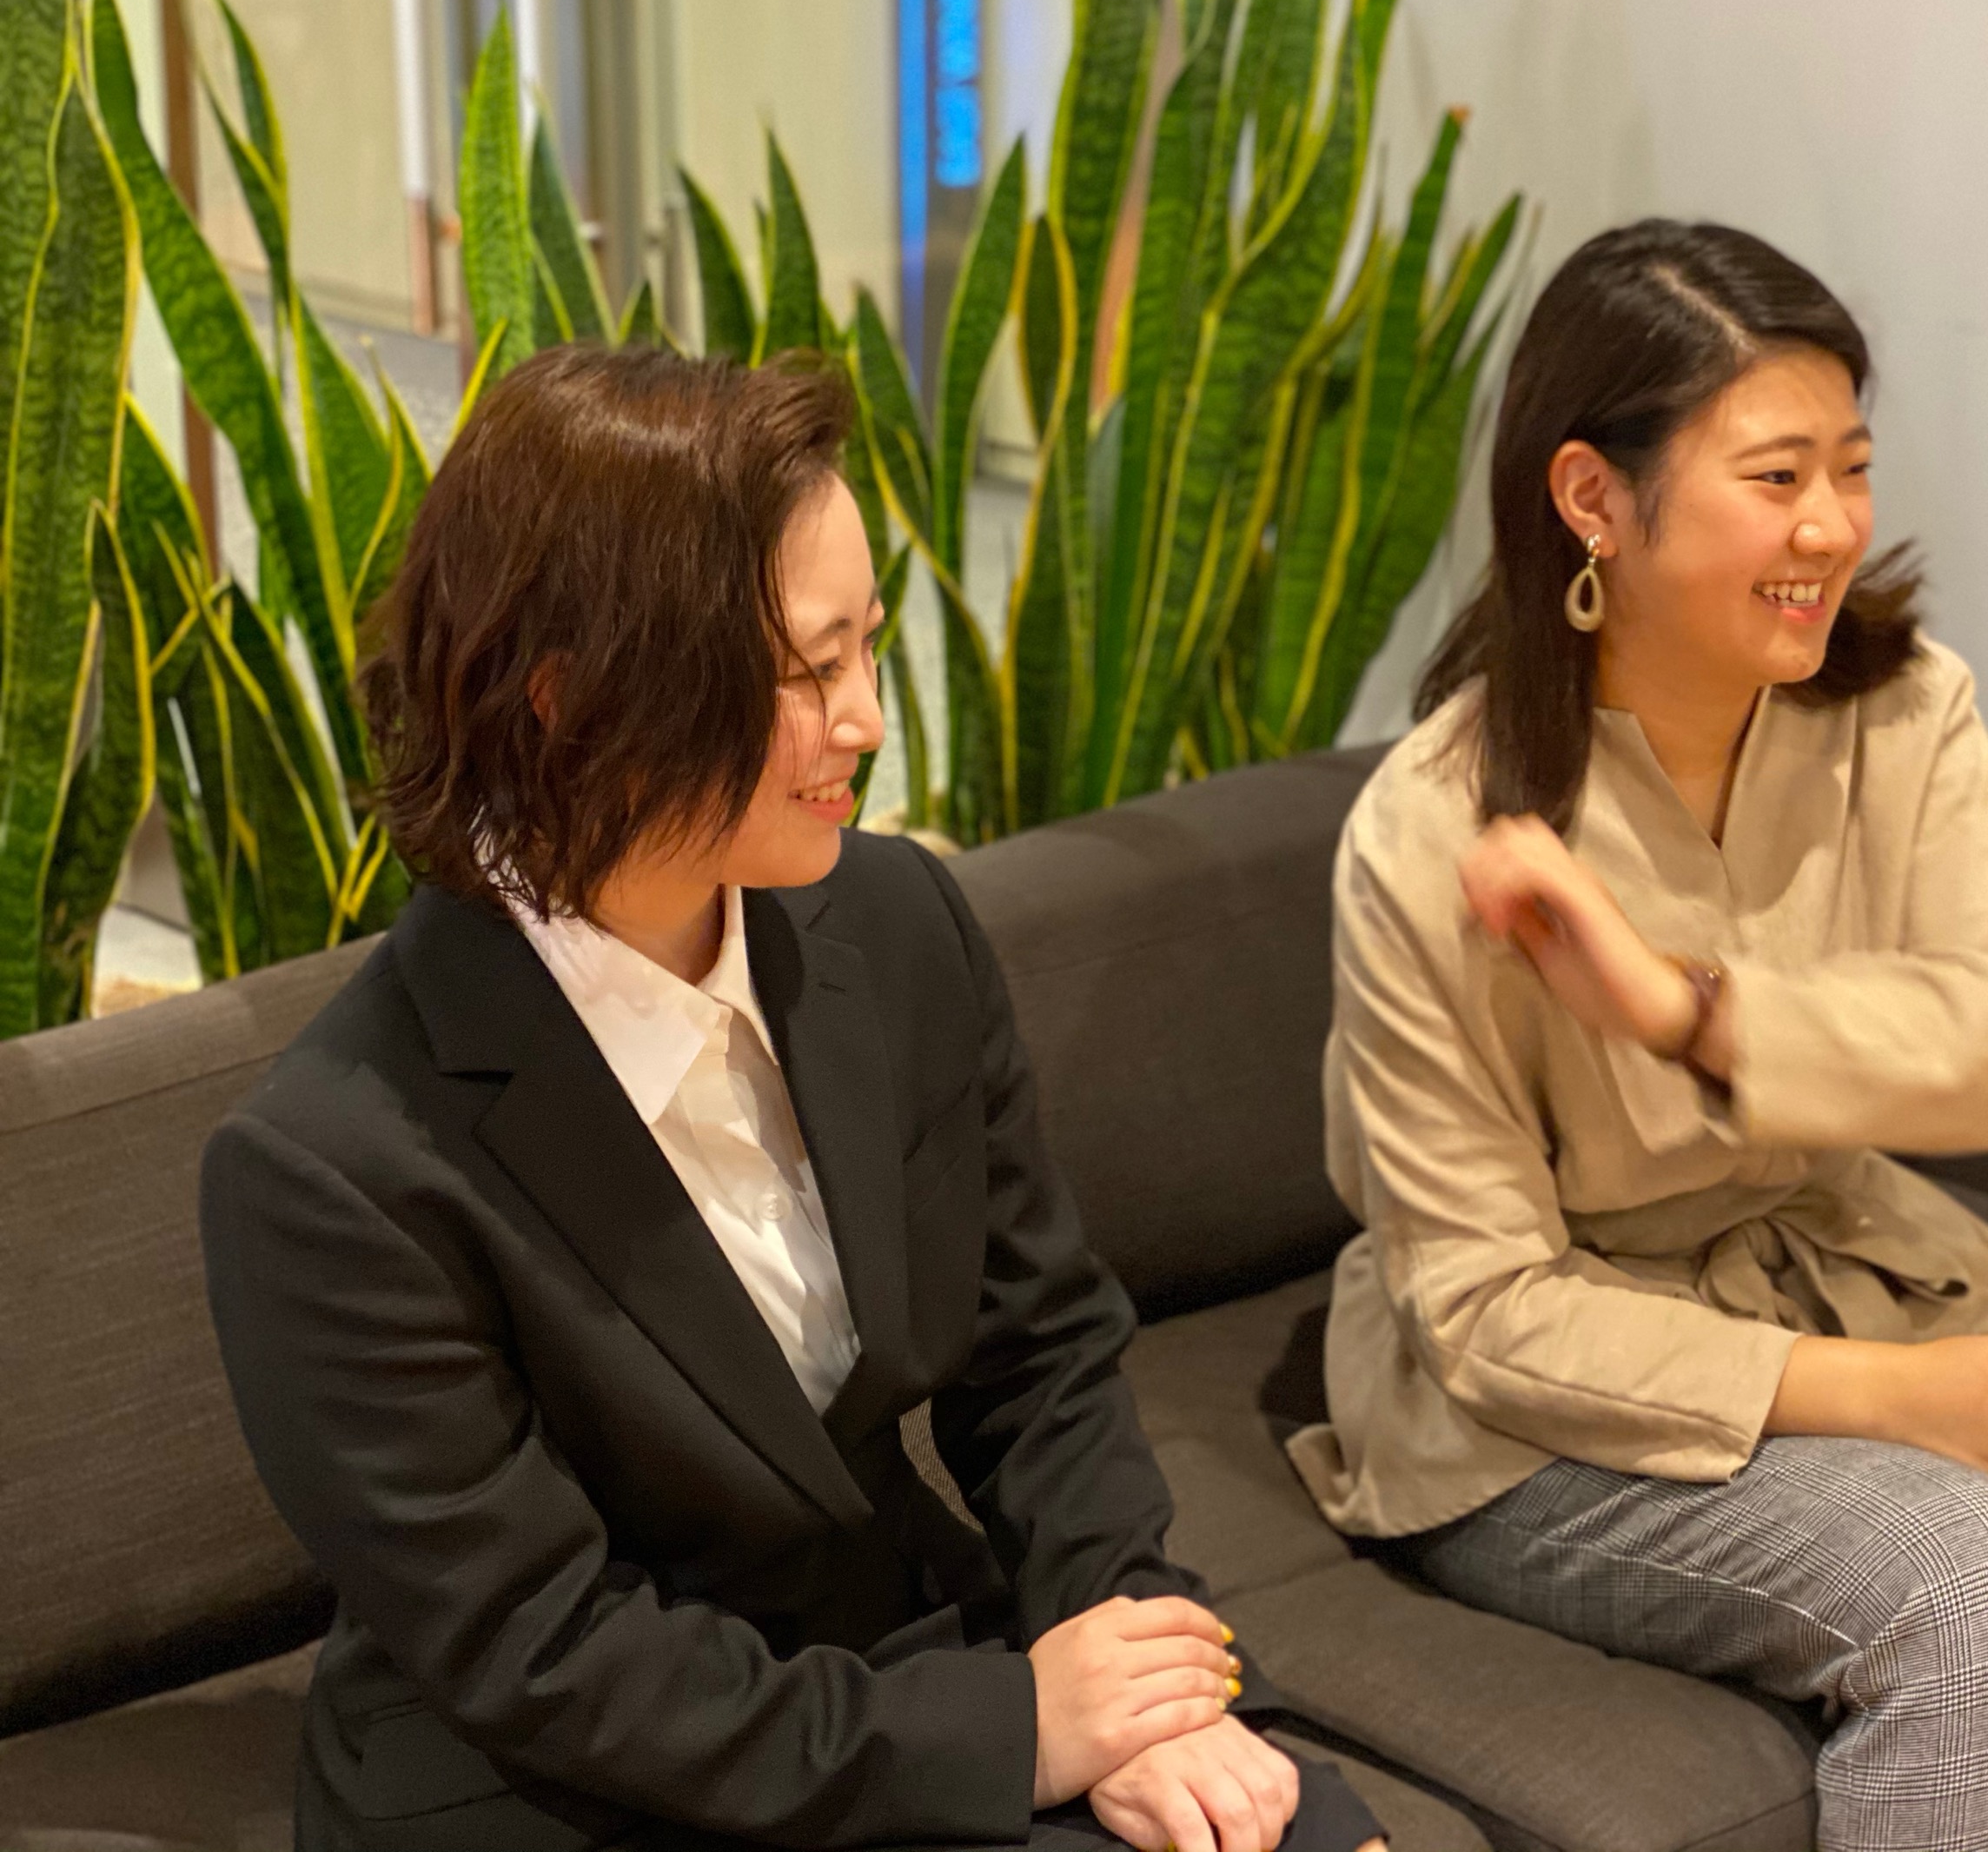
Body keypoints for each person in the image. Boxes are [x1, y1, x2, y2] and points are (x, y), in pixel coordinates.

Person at [201, 345, 1382, 1852]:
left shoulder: (893, 923)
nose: (868, 717)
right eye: (811, 671)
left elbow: (1039, 1354)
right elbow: (549, 1654)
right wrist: (1018, 1730)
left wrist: (1138, 1658)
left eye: (867, 646)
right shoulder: (331, 1171)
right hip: (580, 1783)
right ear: (571, 702)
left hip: (895, 1648)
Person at [1287, 221, 1988, 1850]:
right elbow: (1486, 1316)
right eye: (1775, 478)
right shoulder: (1438, 832)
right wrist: (1894, 1398)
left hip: (1829, 1267)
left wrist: (1692, 1015)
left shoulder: (1900, 708)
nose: (1830, 527)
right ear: (1590, 498)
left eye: (1853, 467)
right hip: (1528, 1416)